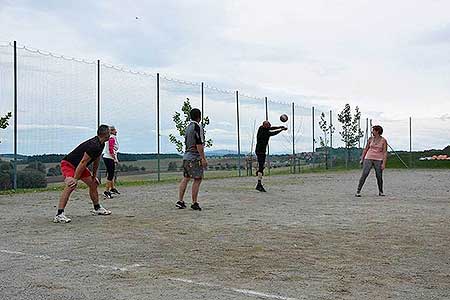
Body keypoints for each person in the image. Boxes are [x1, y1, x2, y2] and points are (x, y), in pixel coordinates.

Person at [53, 125, 112, 223]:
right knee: (71, 185)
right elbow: (83, 162)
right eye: (110, 132)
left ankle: (97, 208)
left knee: (94, 184)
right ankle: (59, 214)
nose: (111, 134)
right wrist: (75, 179)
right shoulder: (94, 145)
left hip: (80, 166)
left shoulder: (101, 144)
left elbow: (96, 159)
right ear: (105, 135)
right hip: (69, 164)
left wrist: (94, 175)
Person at [176, 108, 207, 211]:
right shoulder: (197, 127)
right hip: (194, 157)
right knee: (197, 179)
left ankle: (180, 201)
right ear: (199, 117)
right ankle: (194, 202)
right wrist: (203, 158)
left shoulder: (188, 127)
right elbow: (199, 143)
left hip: (186, 156)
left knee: (186, 178)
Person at [255, 121, 287, 192]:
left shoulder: (261, 128)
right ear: (265, 126)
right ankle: (259, 184)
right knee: (261, 167)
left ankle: (259, 175)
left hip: (261, 151)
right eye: (268, 126)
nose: (269, 127)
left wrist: (279, 127)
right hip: (260, 151)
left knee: (261, 167)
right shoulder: (264, 132)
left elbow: (272, 128)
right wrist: (281, 130)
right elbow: (272, 133)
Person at [356, 125, 388, 197]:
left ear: (377, 131)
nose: (372, 132)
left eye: (373, 130)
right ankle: (358, 191)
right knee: (365, 173)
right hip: (368, 158)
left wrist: (383, 163)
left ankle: (380, 191)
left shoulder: (383, 140)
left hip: (378, 159)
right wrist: (362, 158)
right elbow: (366, 149)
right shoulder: (370, 139)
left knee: (379, 175)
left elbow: (385, 152)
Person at [103, 125, 120, 199]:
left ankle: (112, 188)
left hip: (107, 157)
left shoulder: (109, 138)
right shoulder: (112, 138)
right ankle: (106, 191)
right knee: (110, 174)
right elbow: (111, 149)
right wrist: (114, 158)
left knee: (111, 173)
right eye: (115, 130)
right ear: (112, 131)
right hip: (109, 157)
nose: (116, 131)